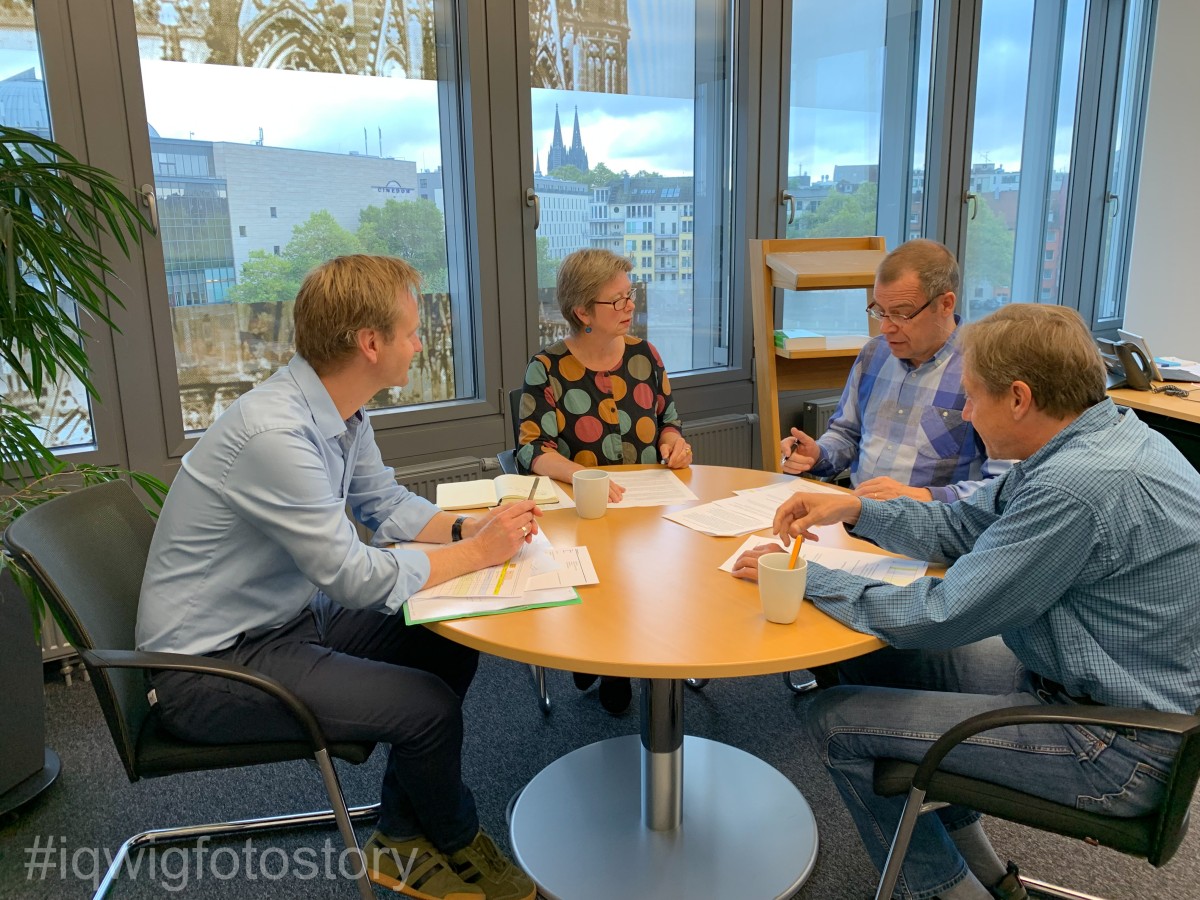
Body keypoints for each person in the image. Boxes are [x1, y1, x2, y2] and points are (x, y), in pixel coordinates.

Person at [734, 305, 1200, 900]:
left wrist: (811, 578)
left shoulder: (1074, 487)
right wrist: (858, 509)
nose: (965, 411)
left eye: (972, 397)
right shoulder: (1097, 437)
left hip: (1117, 745)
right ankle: (986, 876)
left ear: (1020, 398)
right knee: (870, 661)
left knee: (833, 723)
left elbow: (945, 614)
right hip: (1094, 683)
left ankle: (950, 893)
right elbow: (962, 525)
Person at [137, 255, 539, 900]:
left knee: (445, 632)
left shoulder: (339, 411)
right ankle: (456, 837)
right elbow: (353, 575)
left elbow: (383, 505)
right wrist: (482, 554)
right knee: (427, 707)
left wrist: (471, 529)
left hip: (286, 623)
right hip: (210, 669)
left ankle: (402, 839)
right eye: (411, 331)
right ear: (370, 343)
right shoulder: (275, 433)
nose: (420, 343)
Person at [516, 248, 692, 715]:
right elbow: (531, 450)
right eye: (617, 301)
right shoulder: (547, 367)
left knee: (649, 577)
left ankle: (623, 659)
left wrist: (676, 443)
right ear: (582, 313)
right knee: (601, 577)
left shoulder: (645, 356)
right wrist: (581, 474)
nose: (630, 307)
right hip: (582, 511)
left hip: (646, 507)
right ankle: (600, 654)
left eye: (629, 295)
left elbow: (668, 420)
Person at [780, 239, 1008, 503]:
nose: (886, 328)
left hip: (932, 530)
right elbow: (846, 434)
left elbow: (1003, 486)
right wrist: (818, 454)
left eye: (901, 314)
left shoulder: (984, 368)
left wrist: (920, 495)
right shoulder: (874, 354)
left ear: (946, 304)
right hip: (857, 517)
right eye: (880, 312)